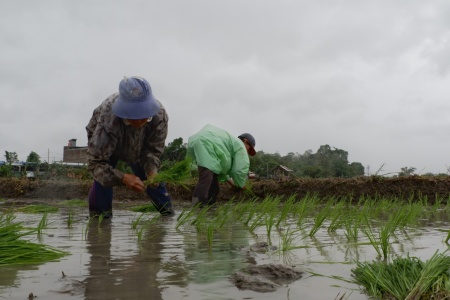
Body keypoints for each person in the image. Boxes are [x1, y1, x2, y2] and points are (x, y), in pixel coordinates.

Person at [86, 76, 174, 218]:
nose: (139, 121)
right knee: (103, 181)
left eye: (143, 114)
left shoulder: (159, 117)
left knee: (155, 181)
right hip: (109, 147)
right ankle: (100, 222)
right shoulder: (108, 118)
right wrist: (123, 177)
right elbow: (96, 163)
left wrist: (152, 171)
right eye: (134, 114)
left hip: (140, 149)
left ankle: (168, 215)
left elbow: (152, 151)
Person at [186, 124, 256, 206]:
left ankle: (208, 211)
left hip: (196, 140)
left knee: (213, 185)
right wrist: (241, 184)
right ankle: (197, 208)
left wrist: (232, 183)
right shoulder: (240, 146)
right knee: (206, 177)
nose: (247, 152)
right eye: (249, 148)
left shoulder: (228, 146)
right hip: (207, 142)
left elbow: (221, 169)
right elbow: (239, 171)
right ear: (245, 141)